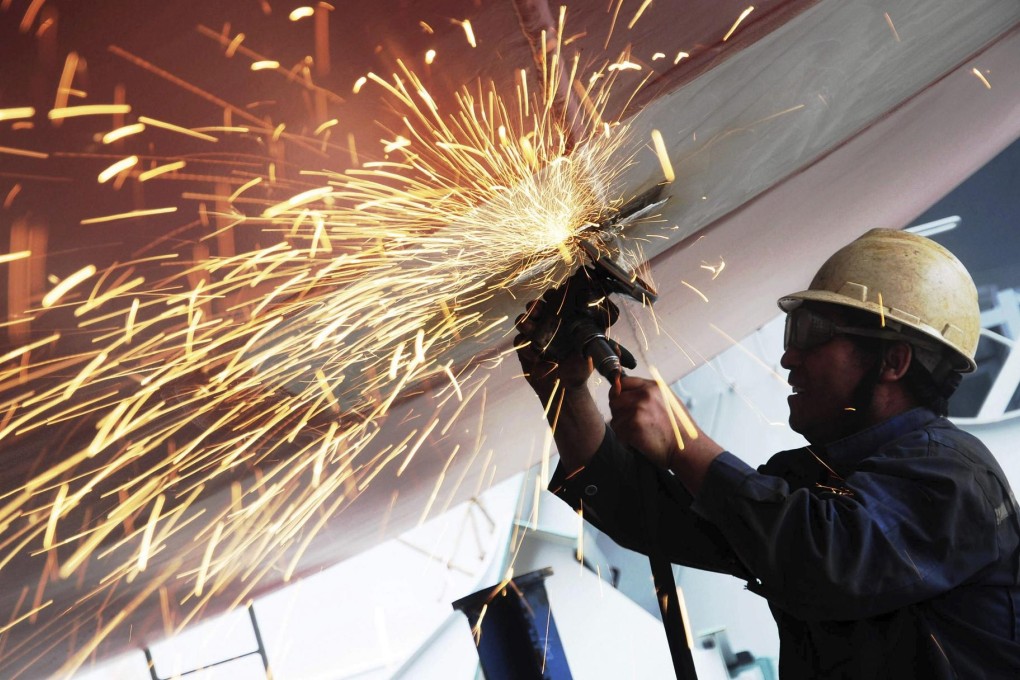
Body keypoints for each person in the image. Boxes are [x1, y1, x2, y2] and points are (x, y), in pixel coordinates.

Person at [514, 228, 1020, 679]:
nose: (788, 356)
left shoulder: (955, 479)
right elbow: (652, 519)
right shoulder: (814, 480)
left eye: (811, 335)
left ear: (893, 360)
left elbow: (826, 560)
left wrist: (685, 444)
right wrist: (566, 392)